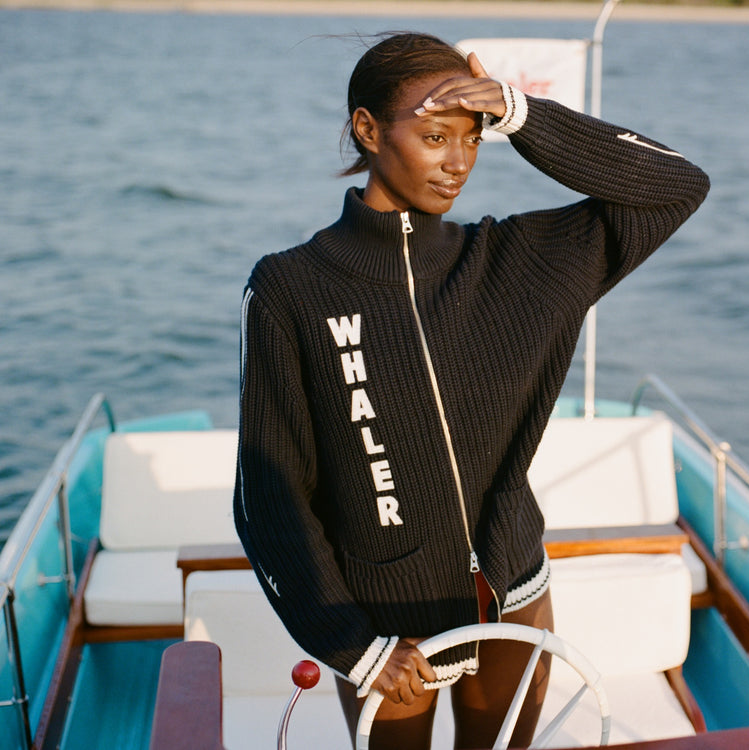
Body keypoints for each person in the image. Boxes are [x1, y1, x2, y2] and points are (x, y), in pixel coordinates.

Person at [234, 32, 709, 749]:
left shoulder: (522, 261)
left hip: (512, 600)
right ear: (367, 130)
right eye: (433, 135)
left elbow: (677, 185)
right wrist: (350, 644)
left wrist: (524, 114)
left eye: (473, 138)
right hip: (384, 623)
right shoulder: (291, 287)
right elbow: (270, 495)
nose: (458, 161)